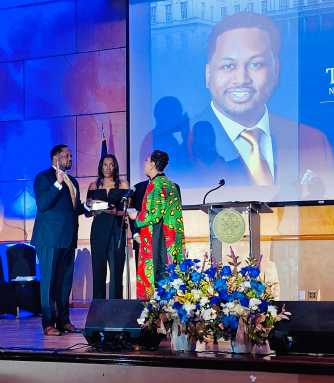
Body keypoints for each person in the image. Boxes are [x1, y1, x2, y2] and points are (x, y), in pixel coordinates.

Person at [190, 12, 333, 195]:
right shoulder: (174, 145)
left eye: (256, 64)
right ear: (208, 74)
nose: (241, 79)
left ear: (275, 70)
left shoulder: (312, 141)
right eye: (228, 66)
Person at [31, 144, 87, 336]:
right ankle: (48, 324)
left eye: (71, 156)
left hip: (68, 238)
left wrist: (90, 207)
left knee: (64, 282)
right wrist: (57, 183)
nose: (70, 159)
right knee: (48, 282)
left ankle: (63, 320)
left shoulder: (73, 181)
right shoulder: (43, 177)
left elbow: (73, 208)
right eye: (66, 156)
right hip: (49, 239)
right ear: (55, 158)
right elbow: (43, 204)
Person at [128, 150, 185, 300]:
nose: (144, 164)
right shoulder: (170, 184)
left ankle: (154, 315)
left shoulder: (156, 185)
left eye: (147, 161)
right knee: (170, 275)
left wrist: (136, 216)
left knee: (158, 275)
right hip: (170, 238)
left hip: (158, 239)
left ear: (153, 164)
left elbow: (153, 214)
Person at [87, 154, 129, 300]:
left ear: (115, 166)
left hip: (117, 230)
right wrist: (95, 208)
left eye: (111, 164)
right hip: (98, 230)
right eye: (105, 164)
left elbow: (129, 210)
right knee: (98, 269)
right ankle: (98, 308)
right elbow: (88, 210)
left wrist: (116, 212)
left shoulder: (123, 185)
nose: (108, 168)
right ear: (101, 166)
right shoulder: (94, 185)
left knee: (117, 270)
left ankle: (116, 307)